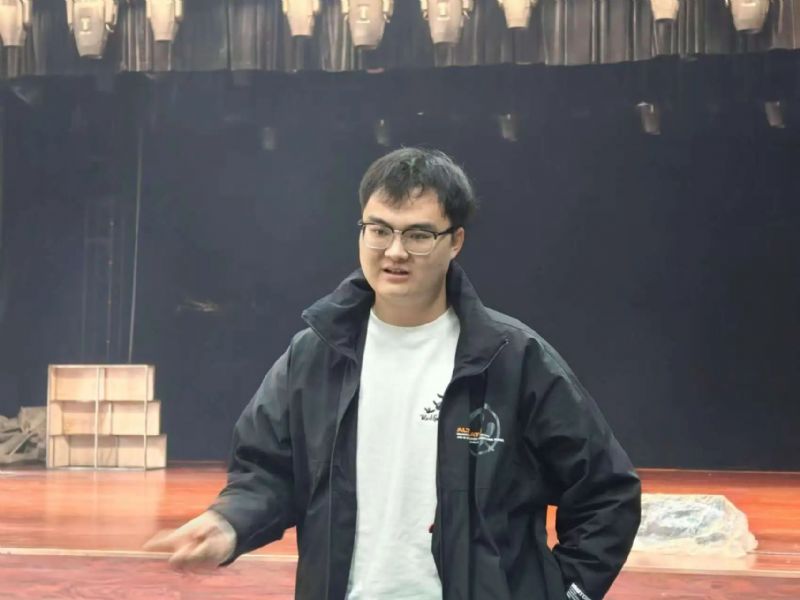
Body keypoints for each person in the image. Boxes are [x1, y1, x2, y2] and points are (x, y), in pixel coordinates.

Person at [145, 148, 642, 600]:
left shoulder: (512, 358)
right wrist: (230, 522)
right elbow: (268, 471)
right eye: (379, 230)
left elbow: (607, 492)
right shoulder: (315, 355)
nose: (395, 251)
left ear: (455, 242)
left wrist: (568, 594)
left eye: (419, 235)